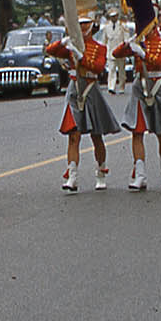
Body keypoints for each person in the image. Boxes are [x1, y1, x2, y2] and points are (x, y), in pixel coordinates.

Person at [47, 13, 121, 191]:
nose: (82, 27)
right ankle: (72, 176)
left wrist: (81, 58)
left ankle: (101, 171)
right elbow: (51, 51)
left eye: (85, 24)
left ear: (91, 25)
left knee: (97, 136)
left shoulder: (99, 47)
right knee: (74, 135)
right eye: (79, 24)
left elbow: (98, 67)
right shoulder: (72, 45)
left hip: (90, 88)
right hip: (75, 88)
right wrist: (63, 43)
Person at [118, 18, 161, 189]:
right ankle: (140, 175)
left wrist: (142, 53)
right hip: (140, 86)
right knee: (137, 131)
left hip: (157, 85)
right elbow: (116, 54)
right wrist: (128, 43)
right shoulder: (139, 42)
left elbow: (160, 62)